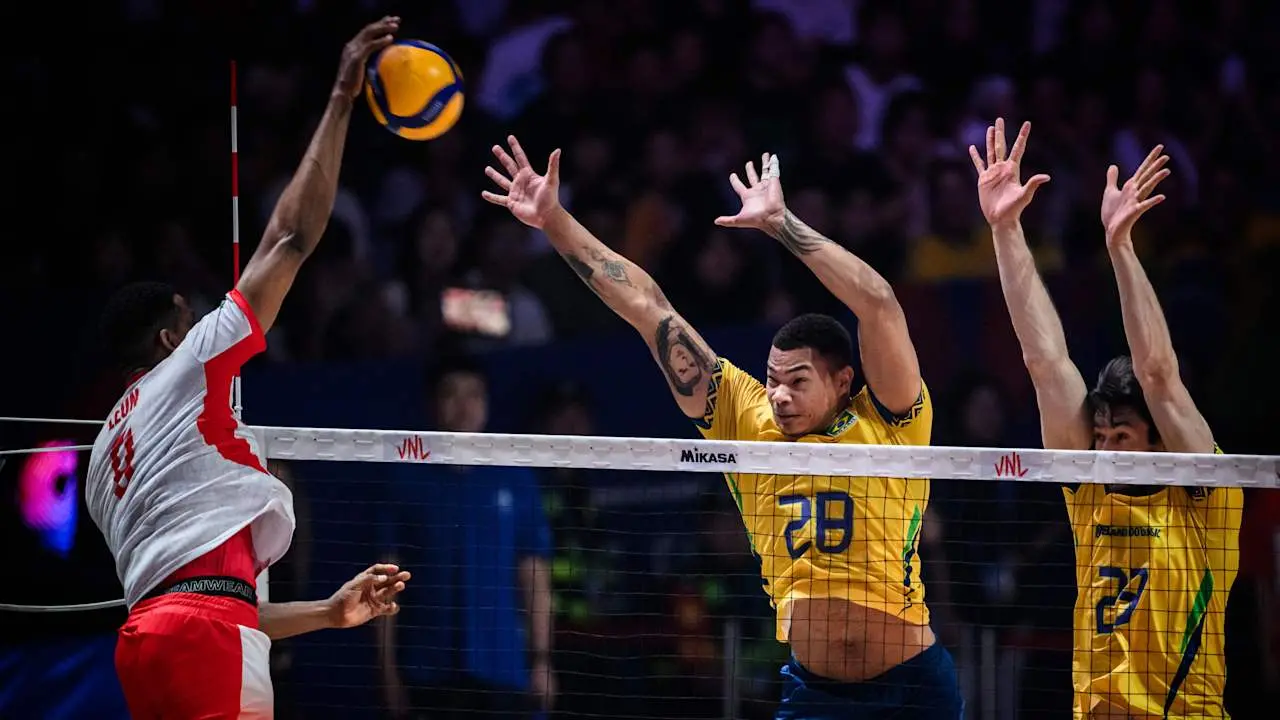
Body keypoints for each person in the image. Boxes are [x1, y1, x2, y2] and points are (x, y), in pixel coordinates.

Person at [483, 135, 962, 719]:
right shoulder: (745, 416)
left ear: (843, 381)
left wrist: (782, 225)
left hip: (911, 689)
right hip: (816, 695)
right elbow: (649, 309)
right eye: (773, 379)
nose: (779, 395)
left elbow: (879, 302)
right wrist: (554, 221)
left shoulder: (890, 420)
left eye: (798, 381)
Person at [84, 18, 412, 719]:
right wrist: (341, 99)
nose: (205, 320)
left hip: (146, 646)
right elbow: (291, 238)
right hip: (205, 638)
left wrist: (328, 613)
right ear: (170, 338)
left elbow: (203, 599)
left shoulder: (104, 458)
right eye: (191, 315)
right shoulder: (191, 365)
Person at [972, 117, 1241, 718]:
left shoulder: (1206, 499)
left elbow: (1159, 375)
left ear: (1160, 442)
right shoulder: (1090, 493)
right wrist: (1005, 230)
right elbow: (1045, 362)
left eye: (1122, 436)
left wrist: (1120, 247)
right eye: (1101, 436)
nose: (1107, 450)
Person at [379, 357, 554, 720]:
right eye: (451, 394)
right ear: (432, 404)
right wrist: (388, 674)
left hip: (503, 667)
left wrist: (541, 659)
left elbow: (534, 574)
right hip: (428, 669)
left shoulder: (516, 477)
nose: (463, 406)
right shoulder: (404, 481)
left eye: (473, 395)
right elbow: (384, 581)